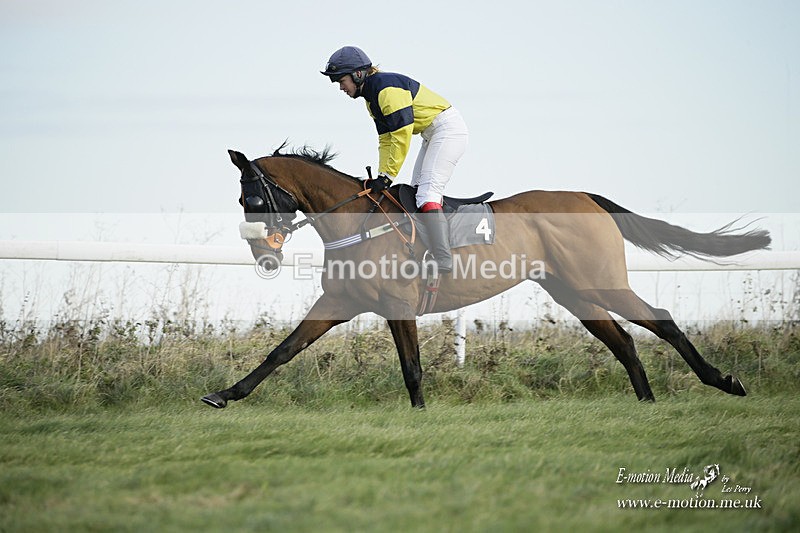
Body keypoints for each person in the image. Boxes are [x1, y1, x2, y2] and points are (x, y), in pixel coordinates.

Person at [321, 45, 468, 273]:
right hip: (432, 134)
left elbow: (401, 135)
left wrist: (388, 176)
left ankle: (444, 259)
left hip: (447, 131)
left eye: (341, 81)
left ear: (358, 74)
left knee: (427, 194)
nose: (341, 87)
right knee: (417, 191)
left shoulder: (386, 90)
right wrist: (382, 175)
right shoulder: (371, 100)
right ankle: (430, 246)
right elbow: (386, 140)